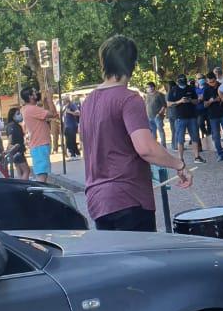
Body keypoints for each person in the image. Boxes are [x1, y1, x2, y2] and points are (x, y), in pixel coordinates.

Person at [81, 35, 193, 231]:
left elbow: (87, 149)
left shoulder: (87, 102)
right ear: (132, 64)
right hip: (129, 199)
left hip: (98, 201)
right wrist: (179, 164)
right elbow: (145, 148)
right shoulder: (129, 99)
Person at [20, 86, 58, 181]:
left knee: (42, 173)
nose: (38, 92)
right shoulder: (32, 109)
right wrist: (49, 98)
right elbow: (53, 114)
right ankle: (40, 191)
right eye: (34, 92)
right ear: (30, 96)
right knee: (42, 176)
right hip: (40, 145)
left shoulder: (27, 108)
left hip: (38, 145)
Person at [167, 73, 205, 162]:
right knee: (180, 139)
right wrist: (180, 101)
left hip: (192, 117)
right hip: (180, 118)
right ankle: (180, 158)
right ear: (177, 81)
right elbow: (168, 104)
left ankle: (197, 157)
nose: (182, 81)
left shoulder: (191, 88)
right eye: (181, 80)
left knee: (195, 137)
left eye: (184, 79)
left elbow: (196, 101)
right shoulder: (173, 90)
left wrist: (190, 100)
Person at [4, 106, 32, 180]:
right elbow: (10, 139)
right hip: (17, 151)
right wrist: (10, 148)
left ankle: (21, 183)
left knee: (20, 171)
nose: (20, 115)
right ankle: (23, 185)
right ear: (13, 116)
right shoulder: (12, 126)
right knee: (26, 170)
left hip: (17, 151)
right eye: (18, 114)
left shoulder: (15, 125)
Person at [145, 81, 168, 145]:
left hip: (157, 117)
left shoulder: (159, 94)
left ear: (152, 87)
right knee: (153, 132)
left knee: (160, 130)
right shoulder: (147, 95)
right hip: (149, 117)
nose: (147, 88)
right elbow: (146, 105)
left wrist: (159, 114)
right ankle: (154, 146)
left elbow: (164, 105)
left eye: (148, 87)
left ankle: (163, 145)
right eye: (147, 87)